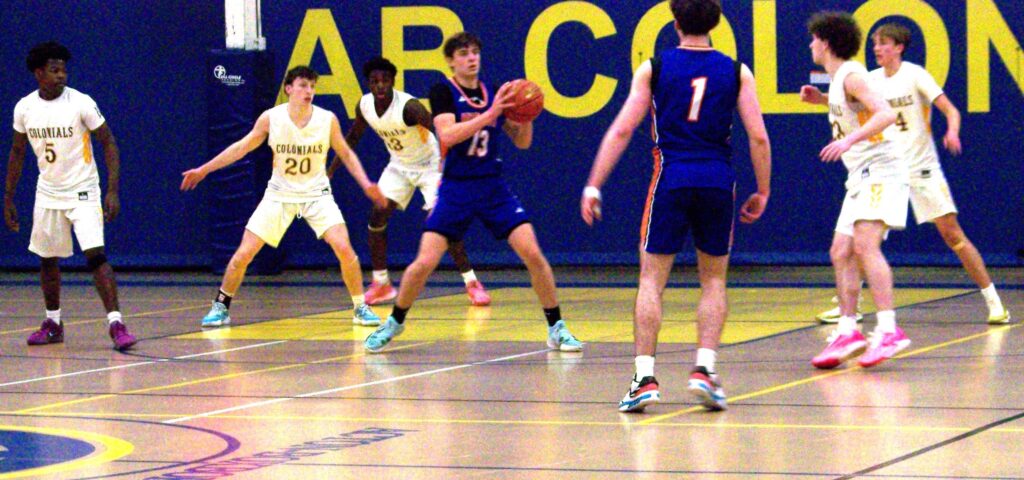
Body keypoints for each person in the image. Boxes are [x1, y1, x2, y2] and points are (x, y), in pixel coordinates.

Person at [582, 0, 771, 412]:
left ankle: (644, 377)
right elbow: (758, 137)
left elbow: (623, 129)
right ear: (717, 23)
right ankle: (704, 368)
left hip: (671, 176)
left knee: (651, 280)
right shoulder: (738, 71)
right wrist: (764, 189)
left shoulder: (655, 67)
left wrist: (594, 184)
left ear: (674, 22)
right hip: (718, 179)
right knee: (714, 280)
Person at [362, 32, 583, 353]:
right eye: (464, 53)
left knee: (533, 255)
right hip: (456, 187)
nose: (471, 58)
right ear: (452, 60)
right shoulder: (443, 91)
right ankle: (394, 322)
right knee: (424, 262)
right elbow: (448, 134)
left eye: (475, 52)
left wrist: (526, 113)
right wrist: (491, 114)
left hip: (493, 186)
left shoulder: (494, 92)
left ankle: (556, 327)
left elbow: (522, 142)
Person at [809, 23, 1010, 325]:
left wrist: (952, 131)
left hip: (919, 168)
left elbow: (950, 110)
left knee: (952, 234)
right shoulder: (868, 77)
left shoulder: (914, 74)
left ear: (899, 47)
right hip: (885, 167)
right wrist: (821, 99)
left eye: (884, 43)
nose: (877, 48)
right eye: (875, 43)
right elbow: (853, 103)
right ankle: (850, 305)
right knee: (863, 242)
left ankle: (994, 300)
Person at [181, 66, 387, 328]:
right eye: (303, 85)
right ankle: (221, 305)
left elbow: (345, 154)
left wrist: (366, 184)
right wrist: (204, 170)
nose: (309, 91)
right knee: (243, 254)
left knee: (345, 249)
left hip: (316, 195)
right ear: (289, 88)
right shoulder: (271, 118)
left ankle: (360, 307)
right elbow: (241, 148)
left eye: (312, 86)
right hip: (279, 195)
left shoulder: (327, 119)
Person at [4, 41, 137, 351]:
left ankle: (116, 323)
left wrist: (112, 189)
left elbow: (109, 143)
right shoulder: (24, 108)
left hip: (83, 191)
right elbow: (17, 151)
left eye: (64, 69)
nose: (61, 75)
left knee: (96, 255)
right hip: (48, 192)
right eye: (54, 70)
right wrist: (8, 196)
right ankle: (53, 323)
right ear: (38, 73)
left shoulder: (81, 103)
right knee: (47, 258)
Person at [334, 56, 490, 307]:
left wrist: (448, 164)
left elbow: (442, 131)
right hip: (400, 165)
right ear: (368, 84)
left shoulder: (410, 107)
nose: (381, 85)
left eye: (385, 80)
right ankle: (381, 282)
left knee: (443, 224)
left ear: (393, 81)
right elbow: (351, 138)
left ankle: (472, 282)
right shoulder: (364, 105)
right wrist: (330, 171)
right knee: (377, 217)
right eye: (375, 81)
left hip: (430, 165)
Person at [800, 12, 908, 369]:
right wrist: (820, 101)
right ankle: (848, 331)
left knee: (864, 245)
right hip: (861, 175)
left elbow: (884, 115)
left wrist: (848, 141)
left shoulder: (853, 74)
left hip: (881, 169)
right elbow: (856, 110)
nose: (811, 44)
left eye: (815, 38)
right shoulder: (838, 79)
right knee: (840, 250)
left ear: (827, 42)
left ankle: (889, 330)